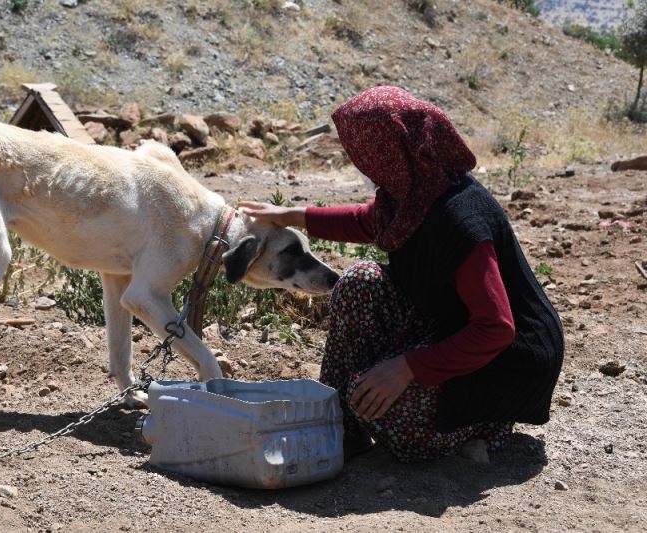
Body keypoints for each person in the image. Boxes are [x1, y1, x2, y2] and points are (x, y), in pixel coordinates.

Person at [239, 86, 564, 463]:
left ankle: (489, 424)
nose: (361, 165)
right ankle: (340, 425)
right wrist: (291, 215)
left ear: (387, 153)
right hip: (451, 325)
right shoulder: (418, 191)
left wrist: (407, 367)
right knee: (358, 283)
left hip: (508, 361)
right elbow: (367, 221)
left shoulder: (460, 220)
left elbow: (496, 328)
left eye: (363, 154)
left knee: (393, 417)